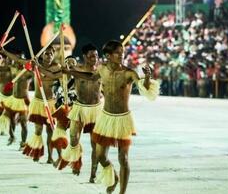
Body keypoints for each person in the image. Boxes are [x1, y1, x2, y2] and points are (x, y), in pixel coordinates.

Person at [65, 40, 159, 194]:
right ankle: (113, 177)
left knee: (124, 159)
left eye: (122, 53)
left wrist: (147, 77)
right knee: (100, 156)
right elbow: (90, 77)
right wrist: (70, 72)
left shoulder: (129, 73)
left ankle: (122, 192)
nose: (121, 55)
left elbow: (144, 88)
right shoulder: (101, 69)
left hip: (123, 119)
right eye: (117, 53)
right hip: (106, 117)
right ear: (108, 55)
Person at [56, 43, 102, 183]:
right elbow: (58, 76)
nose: (94, 58)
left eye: (96, 55)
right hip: (79, 107)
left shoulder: (100, 71)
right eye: (91, 56)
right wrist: (64, 71)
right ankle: (77, 161)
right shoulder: (76, 69)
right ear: (84, 57)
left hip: (96, 109)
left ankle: (93, 173)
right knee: (74, 139)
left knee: (96, 144)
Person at [0, 49, 33, 148]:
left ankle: (23, 142)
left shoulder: (28, 72)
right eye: (17, 59)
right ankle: (12, 136)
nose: (18, 61)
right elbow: (2, 67)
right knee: (10, 119)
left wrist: (34, 66)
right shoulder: (12, 68)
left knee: (23, 123)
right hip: (13, 99)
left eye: (21, 59)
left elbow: (38, 74)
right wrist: (4, 52)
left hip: (23, 100)